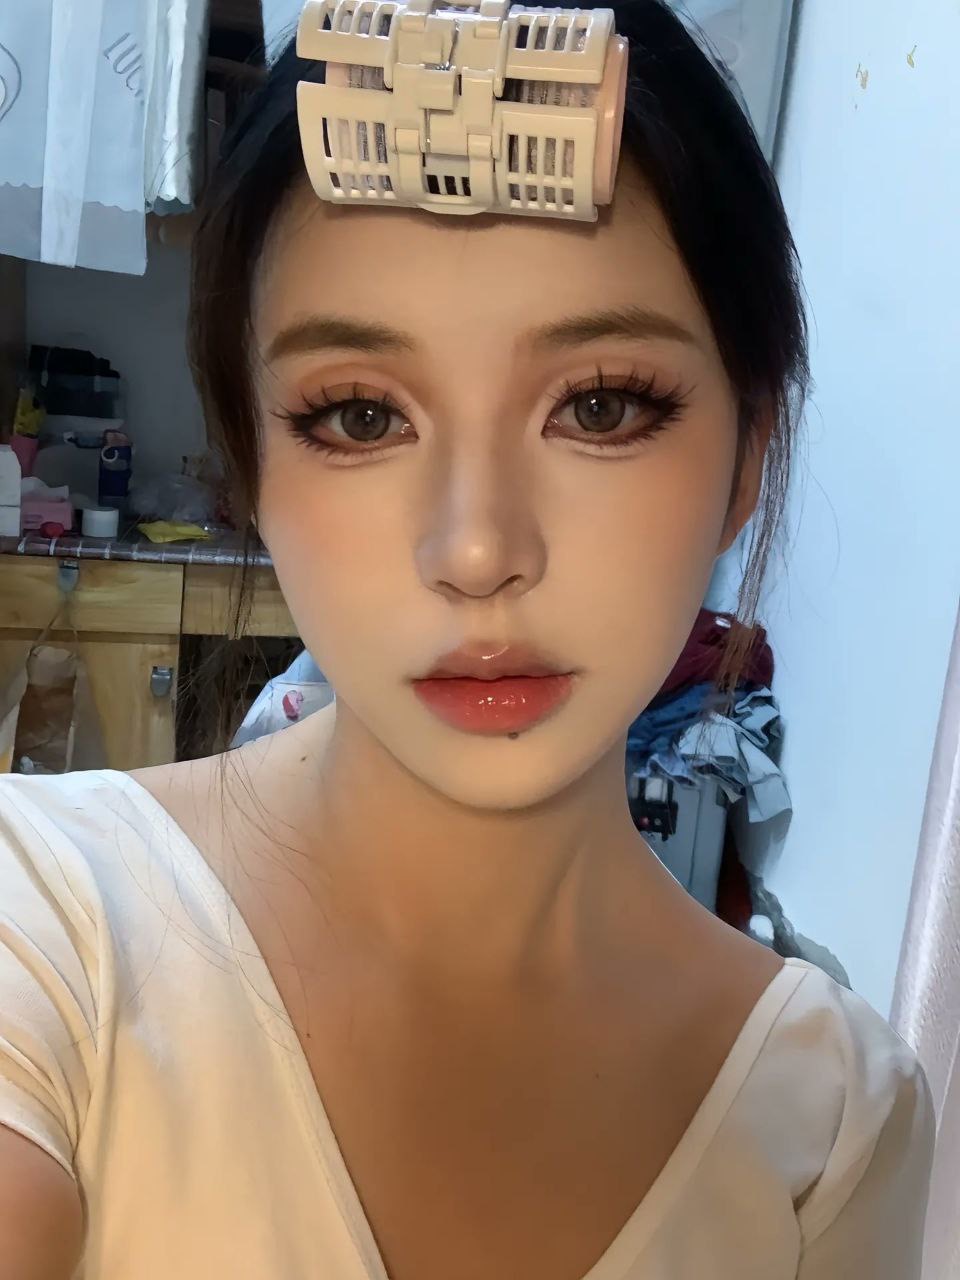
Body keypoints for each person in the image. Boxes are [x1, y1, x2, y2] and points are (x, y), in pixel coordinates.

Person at [0, 2, 935, 1276]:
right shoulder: (41, 923)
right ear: (251, 463)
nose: (479, 548)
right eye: (362, 415)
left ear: (746, 460)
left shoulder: (833, 1116)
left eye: (599, 405)